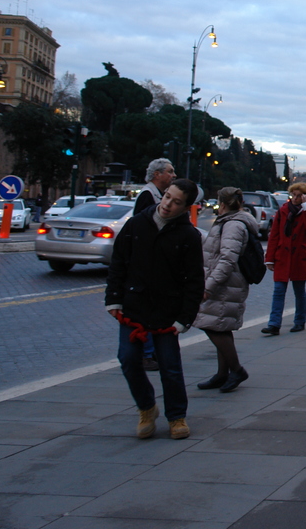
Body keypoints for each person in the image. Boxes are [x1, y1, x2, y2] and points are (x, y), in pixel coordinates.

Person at [105, 178, 204, 440]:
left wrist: (184, 319)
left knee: (170, 367)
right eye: (167, 197)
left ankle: (176, 416)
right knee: (128, 360)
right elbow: (118, 263)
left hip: (167, 313)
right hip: (133, 308)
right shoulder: (136, 224)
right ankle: (146, 408)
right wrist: (113, 299)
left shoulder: (189, 237)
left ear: (186, 208)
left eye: (176, 202)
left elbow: (194, 282)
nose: (167, 204)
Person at [192, 187, 259, 392]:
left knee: (210, 324)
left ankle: (236, 370)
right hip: (226, 282)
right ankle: (222, 374)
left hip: (224, 283)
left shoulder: (233, 225)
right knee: (219, 325)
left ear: (222, 203)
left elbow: (227, 259)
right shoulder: (232, 222)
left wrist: (209, 286)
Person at [132, 157, 177, 371]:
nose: (173, 175)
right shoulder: (147, 196)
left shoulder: (156, 195)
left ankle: (151, 351)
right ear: (157, 174)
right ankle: (146, 353)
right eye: (170, 171)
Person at [262, 182, 306, 334]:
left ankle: (300, 321)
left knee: (299, 291)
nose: (295, 198)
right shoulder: (283, 210)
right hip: (283, 256)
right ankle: (274, 324)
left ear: (305, 196)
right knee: (279, 290)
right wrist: (269, 258)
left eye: (299, 195)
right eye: (292, 195)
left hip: (300, 257)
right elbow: (274, 234)